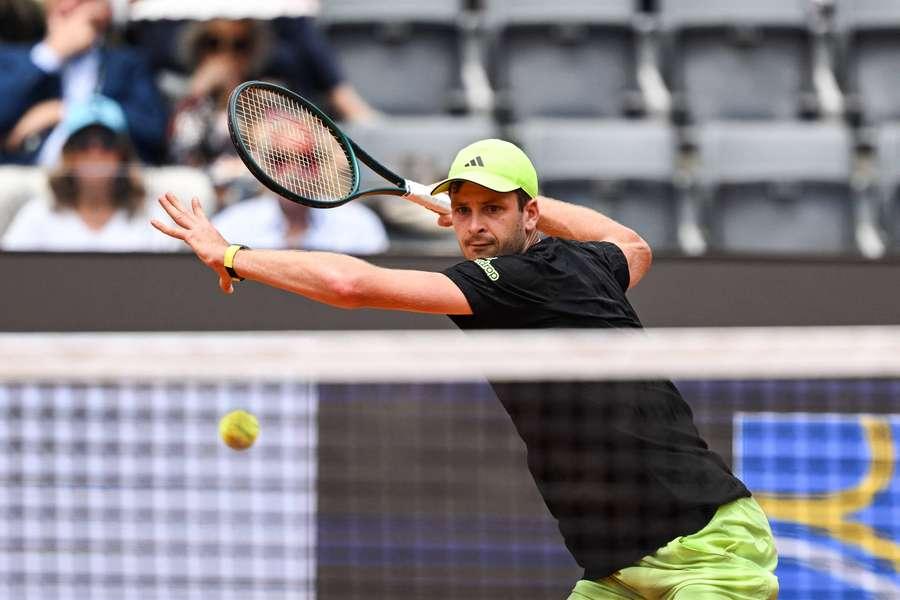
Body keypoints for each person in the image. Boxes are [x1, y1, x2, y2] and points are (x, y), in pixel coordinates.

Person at [151, 139, 779, 599]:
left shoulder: (506, 282)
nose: (475, 227)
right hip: (617, 567)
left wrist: (231, 254)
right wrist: (483, 201)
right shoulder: (590, 263)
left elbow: (350, 284)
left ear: (529, 214)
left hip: (708, 549)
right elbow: (632, 242)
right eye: (465, 211)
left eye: (494, 210)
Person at [0, 0, 167, 165]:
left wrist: (67, 112)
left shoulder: (127, 64)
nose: (67, 5)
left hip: (107, 175)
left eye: (81, 2)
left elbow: (153, 130)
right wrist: (50, 54)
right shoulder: (13, 59)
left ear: (105, 11)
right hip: (27, 173)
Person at [2, 95, 174, 252]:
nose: (95, 152)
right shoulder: (38, 215)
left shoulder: (152, 219)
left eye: (107, 142)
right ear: (68, 154)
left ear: (123, 153)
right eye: (83, 143)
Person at [211, 192, 388, 254]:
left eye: (306, 160)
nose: (293, 170)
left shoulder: (360, 223)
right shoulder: (231, 223)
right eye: (280, 160)